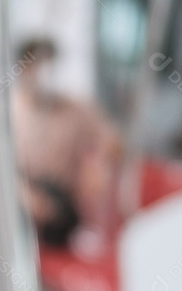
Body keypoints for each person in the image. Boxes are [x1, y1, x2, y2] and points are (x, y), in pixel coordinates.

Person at [11, 38, 122, 252]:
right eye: (38, 65)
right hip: (18, 205)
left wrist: (99, 167)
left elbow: (114, 144)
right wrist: (27, 197)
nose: (45, 73)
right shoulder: (9, 112)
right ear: (24, 68)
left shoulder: (75, 110)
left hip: (60, 210)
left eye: (50, 65)